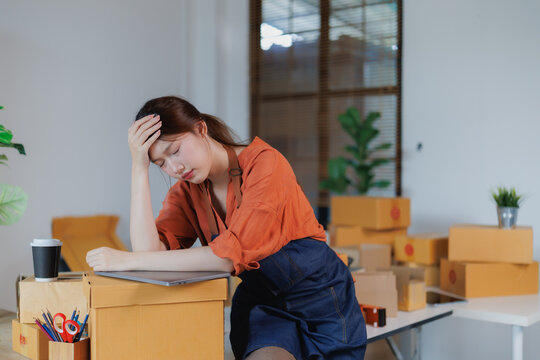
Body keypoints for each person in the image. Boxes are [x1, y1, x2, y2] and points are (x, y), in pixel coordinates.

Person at [86, 96, 367, 359]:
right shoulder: (187, 192)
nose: (175, 167)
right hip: (265, 307)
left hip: (321, 300)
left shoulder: (265, 164)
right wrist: (138, 168)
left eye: (175, 150)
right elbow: (150, 253)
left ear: (200, 128)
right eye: (161, 163)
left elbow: (226, 257)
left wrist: (128, 261)